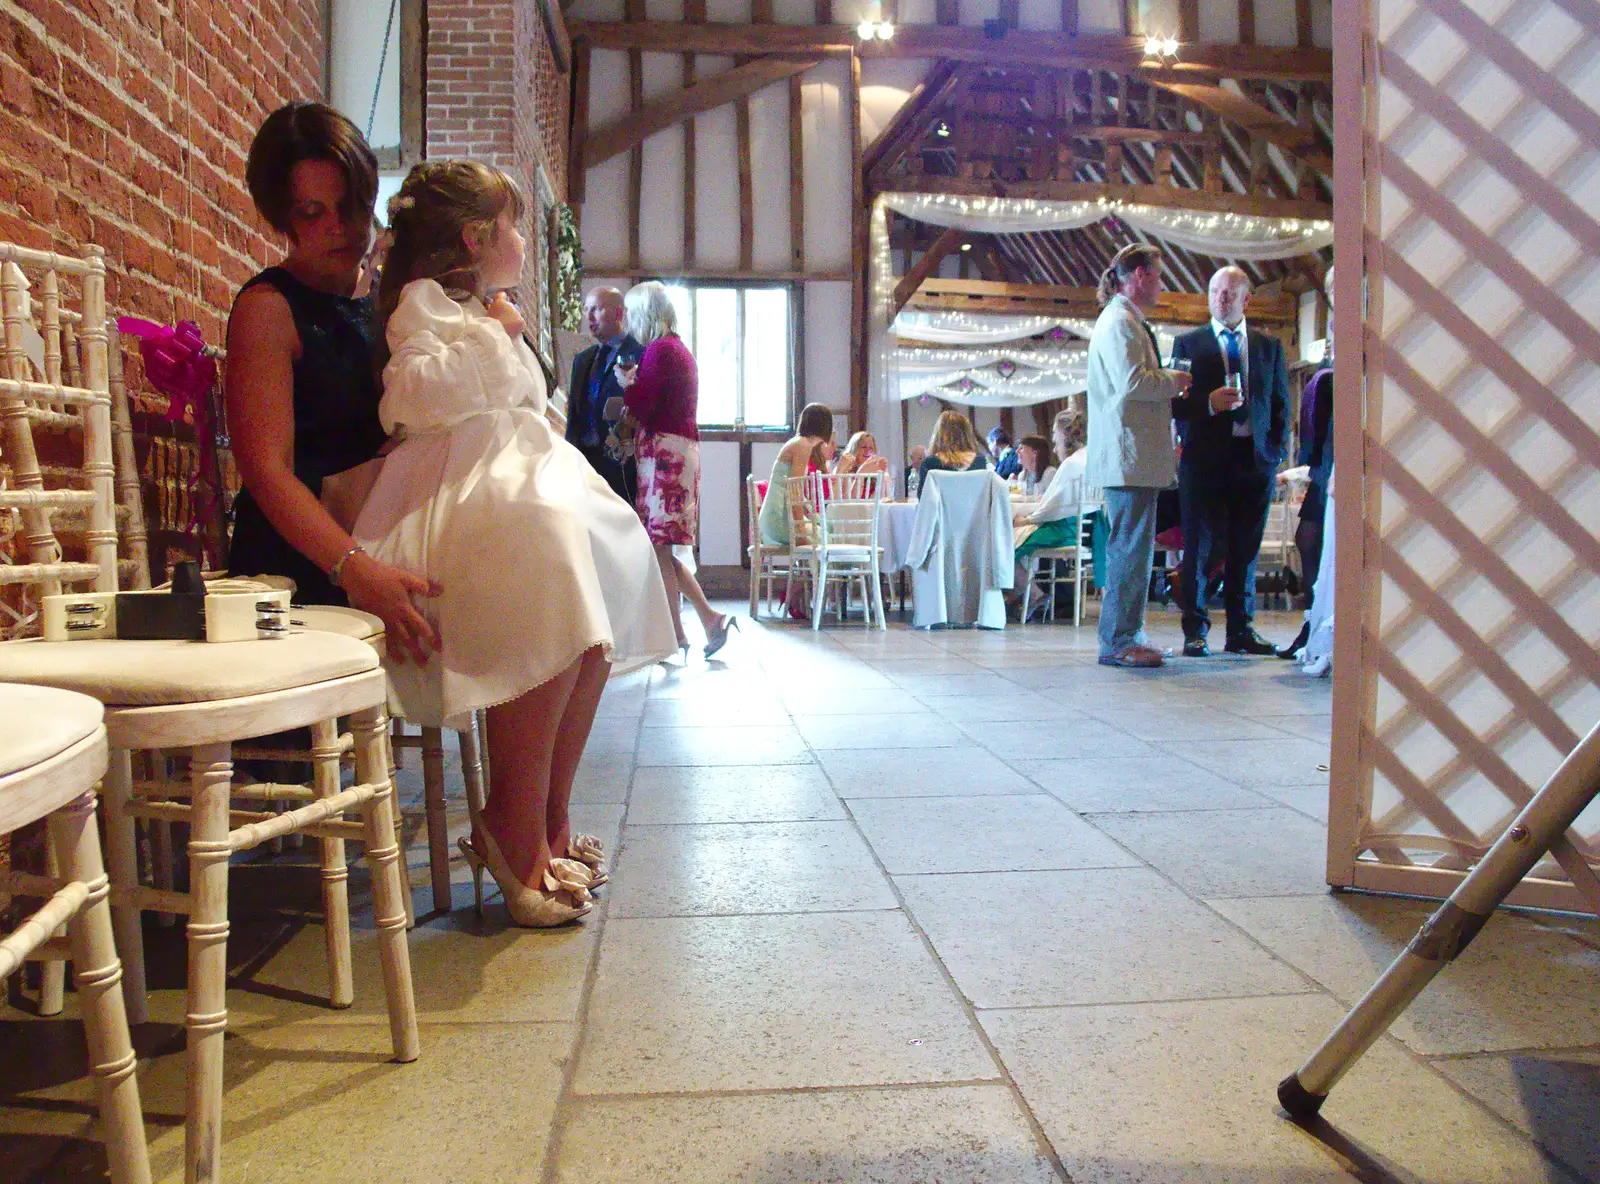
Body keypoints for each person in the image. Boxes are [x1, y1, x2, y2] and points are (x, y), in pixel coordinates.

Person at [353, 159, 678, 926]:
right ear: (476, 236)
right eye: (515, 226)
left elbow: (537, 408)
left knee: (603, 600)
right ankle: (510, 826)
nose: (526, 240)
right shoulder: (423, 307)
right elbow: (410, 401)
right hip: (461, 499)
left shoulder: (495, 310)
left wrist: (510, 341)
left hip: (522, 485)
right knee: (555, 586)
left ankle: (545, 820)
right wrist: (499, 343)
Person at [225, 102, 439, 662]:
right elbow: (266, 471)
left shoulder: (384, 304)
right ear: (282, 216)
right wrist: (356, 569)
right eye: (312, 211)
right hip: (300, 564)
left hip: (376, 535)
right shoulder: (268, 308)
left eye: (351, 206)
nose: (340, 228)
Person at [1169, 266, 1290, 658]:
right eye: (1215, 292)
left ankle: (1241, 629)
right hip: (1204, 461)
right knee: (1199, 549)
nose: (1221, 299)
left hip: (1253, 462)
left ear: (1246, 300)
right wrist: (1207, 403)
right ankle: (1195, 631)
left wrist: (1273, 453)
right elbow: (1175, 406)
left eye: (1229, 293)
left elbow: (1280, 406)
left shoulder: (1268, 347)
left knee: (1245, 549)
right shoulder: (1188, 343)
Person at [1084, 244, 1194, 668]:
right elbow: (1134, 383)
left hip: (1134, 457)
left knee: (1135, 549)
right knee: (1129, 550)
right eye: (1160, 276)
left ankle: (1130, 633)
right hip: (1127, 457)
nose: (1162, 285)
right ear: (1140, 276)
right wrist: (1175, 379)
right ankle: (1118, 641)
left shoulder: (1125, 320)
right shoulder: (1118, 323)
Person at [614, 281, 737, 658]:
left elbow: (644, 407)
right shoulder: (677, 349)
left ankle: (676, 635)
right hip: (676, 453)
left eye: (632, 315)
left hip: (665, 457)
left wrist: (627, 384)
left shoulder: (659, 351)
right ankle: (704, 621)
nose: (630, 323)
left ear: (645, 315)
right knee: (661, 550)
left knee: (659, 548)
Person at [1011, 411, 1096, 612]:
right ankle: (1023, 596)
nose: (1052, 438)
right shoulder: (1091, 457)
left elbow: (1051, 506)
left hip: (1065, 528)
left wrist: (1028, 519)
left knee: (1004, 544)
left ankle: (1031, 595)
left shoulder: (1071, 464)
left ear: (1064, 435)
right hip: (1088, 526)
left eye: (1054, 432)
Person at [757, 403, 835, 619]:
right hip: (780, 518)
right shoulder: (802, 445)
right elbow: (795, 490)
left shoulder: (799, 443)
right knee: (825, 541)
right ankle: (795, 593)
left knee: (825, 534)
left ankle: (796, 594)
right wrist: (799, 527)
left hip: (778, 514)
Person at [566, 287, 642, 503]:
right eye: (586, 309)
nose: (588, 317)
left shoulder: (639, 354)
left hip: (622, 467)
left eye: (596, 309)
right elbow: (574, 416)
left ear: (618, 314)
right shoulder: (582, 360)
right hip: (585, 466)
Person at [917, 410, 990, 489]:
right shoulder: (980, 461)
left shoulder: (930, 463)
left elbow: (924, 497)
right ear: (967, 434)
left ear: (938, 434)